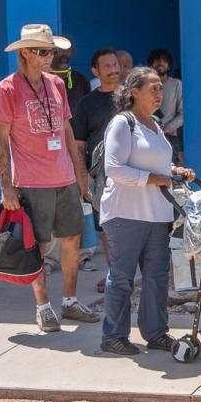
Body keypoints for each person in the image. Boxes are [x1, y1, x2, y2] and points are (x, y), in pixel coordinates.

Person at [0, 24, 101, 332]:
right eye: (45, 51)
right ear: (26, 52)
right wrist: (5, 186)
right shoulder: (7, 88)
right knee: (37, 245)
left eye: (52, 50)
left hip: (64, 178)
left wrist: (80, 174)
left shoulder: (55, 83)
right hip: (30, 181)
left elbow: (66, 130)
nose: (51, 56)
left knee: (72, 239)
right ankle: (43, 306)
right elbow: (0, 141)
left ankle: (69, 301)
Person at [98, 66, 196, 355]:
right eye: (152, 88)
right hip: (125, 214)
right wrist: (157, 179)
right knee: (122, 277)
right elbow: (114, 168)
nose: (158, 93)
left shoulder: (155, 125)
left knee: (156, 277)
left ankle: (156, 333)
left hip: (157, 214)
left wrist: (175, 171)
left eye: (160, 88)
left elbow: (156, 164)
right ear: (133, 92)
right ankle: (113, 336)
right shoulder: (122, 123)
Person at [73, 48, 123, 293]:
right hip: (101, 177)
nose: (114, 70)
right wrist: (82, 178)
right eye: (107, 66)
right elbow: (79, 144)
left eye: (116, 65)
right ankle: (115, 274)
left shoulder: (134, 97)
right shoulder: (86, 104)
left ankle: (139, 275)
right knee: (106, 228)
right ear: (95, 71)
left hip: (136, 174)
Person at [147, 49, 184, 163]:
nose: (160, 64)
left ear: (169, 66)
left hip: (170, 138)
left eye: (164, 61)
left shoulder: (176, 84)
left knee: (169, 172)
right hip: (148, 136)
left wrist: (165, 128)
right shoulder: (145, 85)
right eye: (157, 61)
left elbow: (182, 114)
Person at [50, 41, 91, 112]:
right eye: (60, 49)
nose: (64, 53)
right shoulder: (42, 79)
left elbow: (88, 109)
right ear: (52, 51)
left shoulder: (81, 80)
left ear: (72, 52)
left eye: (68, 50)